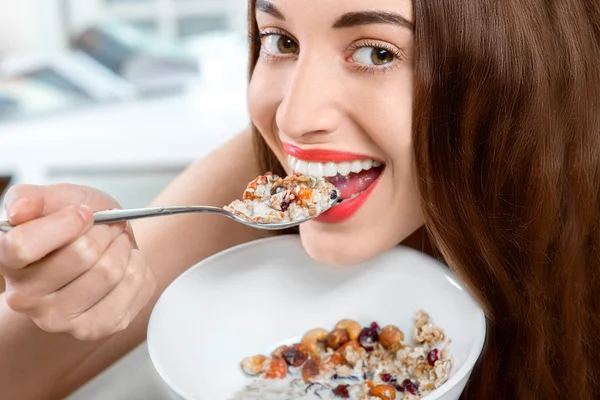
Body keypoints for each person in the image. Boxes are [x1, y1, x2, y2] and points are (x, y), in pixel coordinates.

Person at [1, 0, 599, 398]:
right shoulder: (266, 178)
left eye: (377, 52)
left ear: (524, 65)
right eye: (280, 39)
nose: (293, 115)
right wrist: (83, 273)